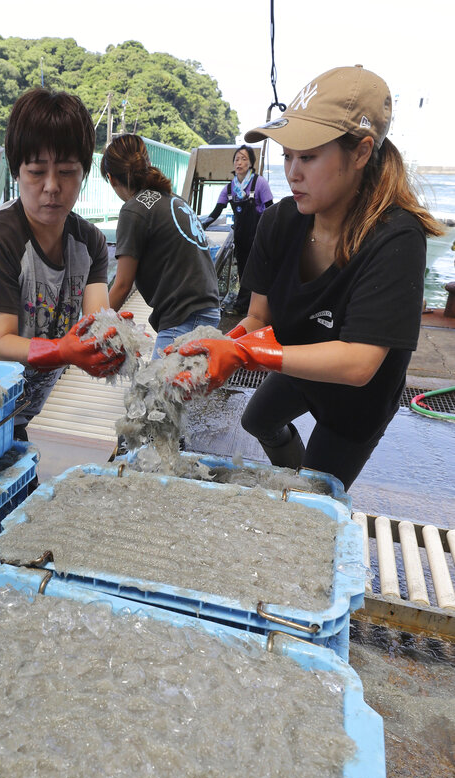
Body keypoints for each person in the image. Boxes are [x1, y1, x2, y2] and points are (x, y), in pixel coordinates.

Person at [167, 66, 443, 491]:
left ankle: (302, 490)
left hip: (358, 401)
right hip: (299, 365)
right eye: (287, 156)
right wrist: (217, 349)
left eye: (308, 157)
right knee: (256, 418)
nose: (292, 172)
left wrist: (244, 356)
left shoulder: (396, 238)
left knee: (316, 493)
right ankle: (291, 477)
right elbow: (259, 317)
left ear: (361, 152)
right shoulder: (280, 220)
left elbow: (358, 364)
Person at [0, 88, 125, 440]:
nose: (52, 187)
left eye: (67, 172)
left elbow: (96, 321)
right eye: (37, 172)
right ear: (17, 172)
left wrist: (114, 339)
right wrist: (64, 350)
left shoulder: (90, 243)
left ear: (84, 174)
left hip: (22, 406)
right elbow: (2, 342)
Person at [100, 134, 220, 358]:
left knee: (158, 391)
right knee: (183, 391)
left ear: (111, 178)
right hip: (209, 310)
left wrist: (94, 328)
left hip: (184, 316)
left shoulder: (133, 209)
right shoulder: (172, 198)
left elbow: (123, 284)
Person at [201, 145, 273, 315]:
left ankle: (241, 307)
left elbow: (271, 209)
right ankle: (247, 306)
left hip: (257, 235)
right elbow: (215, 213)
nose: (239, 163)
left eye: (244, 159)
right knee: (242, 271)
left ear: (251, 163)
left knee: (251, 270)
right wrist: (199, 226)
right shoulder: (229, 188)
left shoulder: (259, 183)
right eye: (236, 159)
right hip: (240, 236)